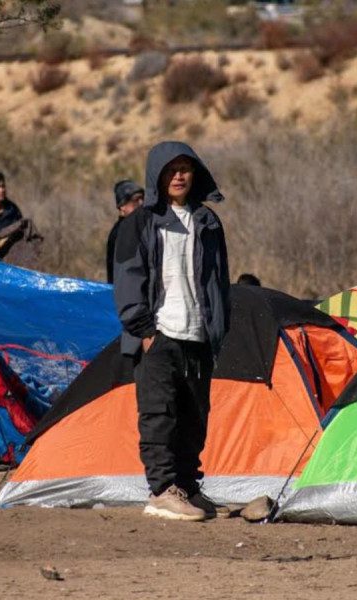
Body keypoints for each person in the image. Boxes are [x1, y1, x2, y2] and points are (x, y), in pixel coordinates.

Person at [113, 141, 231, 522]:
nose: (179, 175)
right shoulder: (139, 223)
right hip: (159, 335)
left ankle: (187, 488)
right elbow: (128, 278)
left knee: (195, 416)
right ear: (157, 176)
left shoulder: (207, 222)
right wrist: (144, 329)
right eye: (171, 169)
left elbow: (219, 281)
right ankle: (162, 491)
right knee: (159, 415)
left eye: (185, 168)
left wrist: (219, 328)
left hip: (199, 334)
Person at [106, 180, 144, 284]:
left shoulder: (139, 227)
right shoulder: (122, 232)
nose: (141, 203)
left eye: (142, 199)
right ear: (122, 206)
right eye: (136, 200)